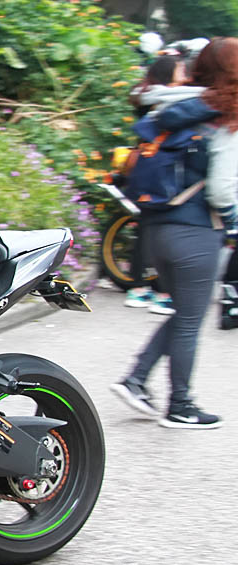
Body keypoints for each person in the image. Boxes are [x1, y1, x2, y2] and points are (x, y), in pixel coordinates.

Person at [111, 37, 238, 429]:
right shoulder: (226, 117)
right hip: (197, 231)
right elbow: (221, 188)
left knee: (184, 312)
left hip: (155, 227)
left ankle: (136, 380)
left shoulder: (175, 106)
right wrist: (234, 222)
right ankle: (180, 405)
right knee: (189, 320)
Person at [124, 55, 194, 315]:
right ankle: (160, 292)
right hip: (161, 172)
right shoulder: (164, 97)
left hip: (146, 169)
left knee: (146, 231)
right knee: (162, 232)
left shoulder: (147, 93)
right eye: (181, 69)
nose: (185, 73)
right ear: (168, 73)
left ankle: (140, 288)